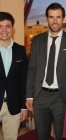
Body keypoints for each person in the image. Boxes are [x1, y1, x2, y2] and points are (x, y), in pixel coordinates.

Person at [26, 2, 66, 140]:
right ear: (47, 18)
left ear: (63, 18)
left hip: (61, 97)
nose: (55, 21)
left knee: (63, 135)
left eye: (58, 17)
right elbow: (32, 69)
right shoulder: (37, 41)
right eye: (51, 17)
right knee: (42, 135)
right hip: (40, 96)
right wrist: (29, 96)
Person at [0, 12, 28, 140]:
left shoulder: (20, 50)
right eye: (0, 26)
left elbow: (23, 81)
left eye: (7, 26)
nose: (4, 30)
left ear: (13, 28)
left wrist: (23, 106)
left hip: (14, 105)